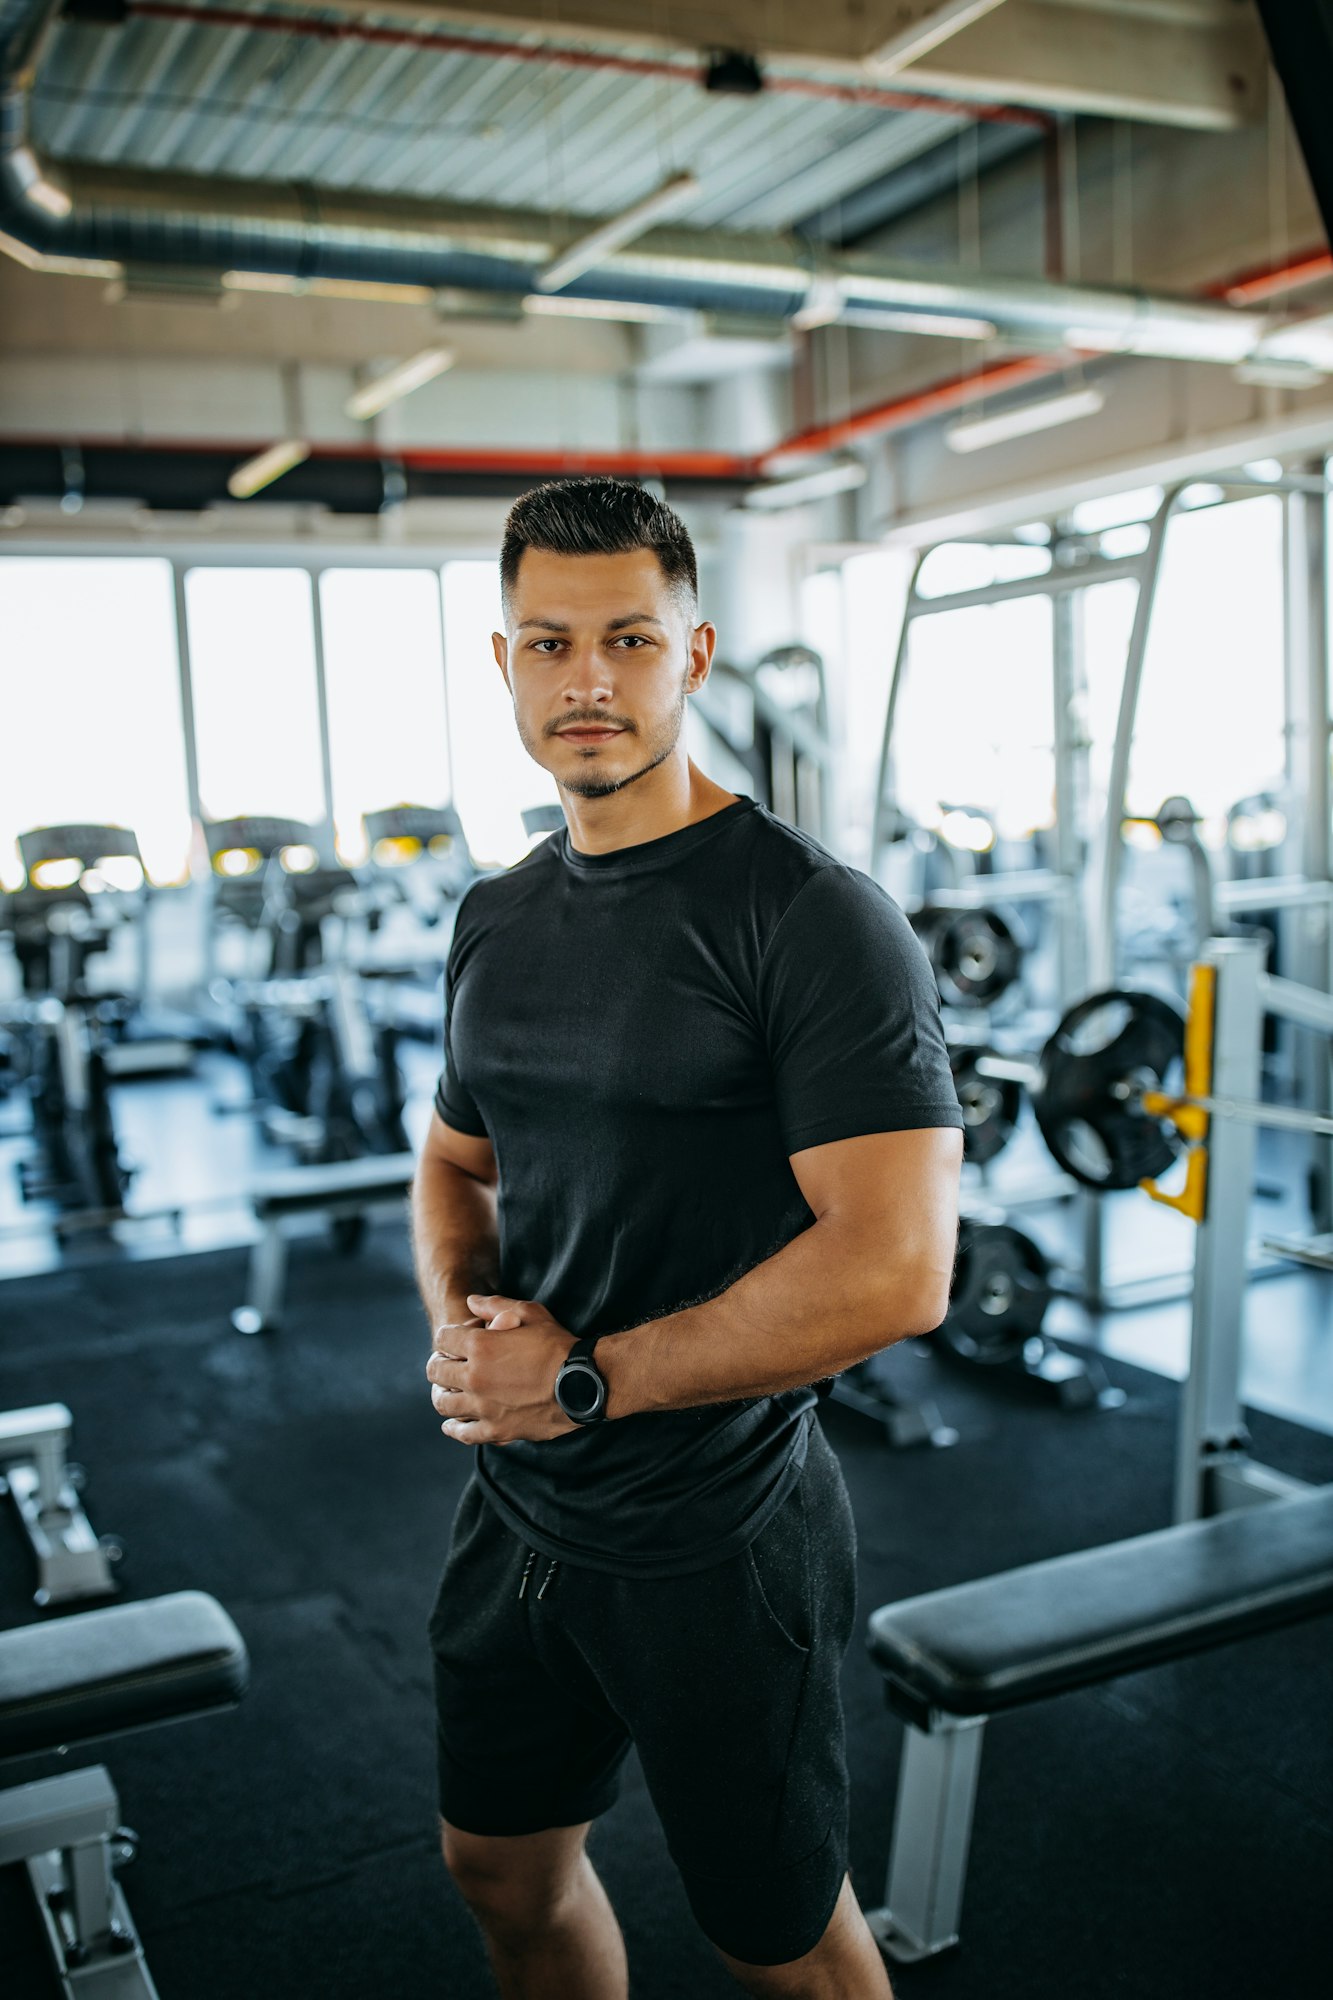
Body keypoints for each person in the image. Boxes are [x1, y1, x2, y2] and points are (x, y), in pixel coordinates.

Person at [411, 476, 964, 2000]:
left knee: (782, 1948)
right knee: (500, 1871)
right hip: (516, 1511)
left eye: (627, 639)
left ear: (694, 654)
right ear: (503, 662)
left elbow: (898, 1270)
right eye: (547, 642)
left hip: (718, 1532)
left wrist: (584, 1379)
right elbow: (454, 1164)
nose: (586, 679)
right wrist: (468, 1331)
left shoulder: (808, 916)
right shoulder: (496, 913)